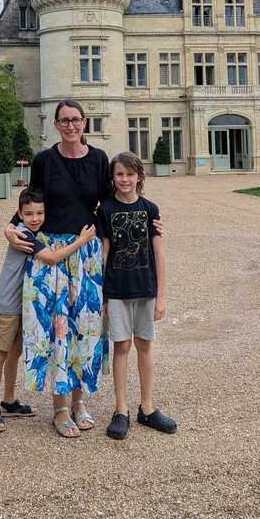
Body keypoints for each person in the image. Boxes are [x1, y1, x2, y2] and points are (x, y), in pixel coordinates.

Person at [5, 99, 111, 439]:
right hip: (52, 253)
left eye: (76, 120)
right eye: (64, 120)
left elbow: (108, 206)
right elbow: (31, 202)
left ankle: (79, 403)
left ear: (84, 123)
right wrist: (11, 227)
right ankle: (60, 408)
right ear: (56, 124)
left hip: (87, 254)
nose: (70, 126)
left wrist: (145, 221)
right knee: (57, 331)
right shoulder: (44, 160)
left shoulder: (98, 160)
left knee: (86, 328)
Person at [0, 187, 95, 432]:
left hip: (24, 305)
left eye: (39, 213)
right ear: (20, 215)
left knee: (14, 352)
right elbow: (52, 258)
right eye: (29, 214)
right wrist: (81, 241)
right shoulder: (24, 234)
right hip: (7, 304)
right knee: (1, 353)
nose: (35, 218)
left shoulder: (34, 232)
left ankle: (9, 400)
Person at [97, 151, 177, 441]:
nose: (125, 179)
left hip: (145, 288)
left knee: (145, 345)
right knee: (121, 347)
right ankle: (121, 409)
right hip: (117, 290)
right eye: (119, 174)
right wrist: (101, 295)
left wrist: (162, 296)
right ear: (112, 178)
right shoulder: (105, 210)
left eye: (130, 174)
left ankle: (147, 406)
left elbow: (159, 254)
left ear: (139, 176)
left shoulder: (150, 210)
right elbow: (104, 254)